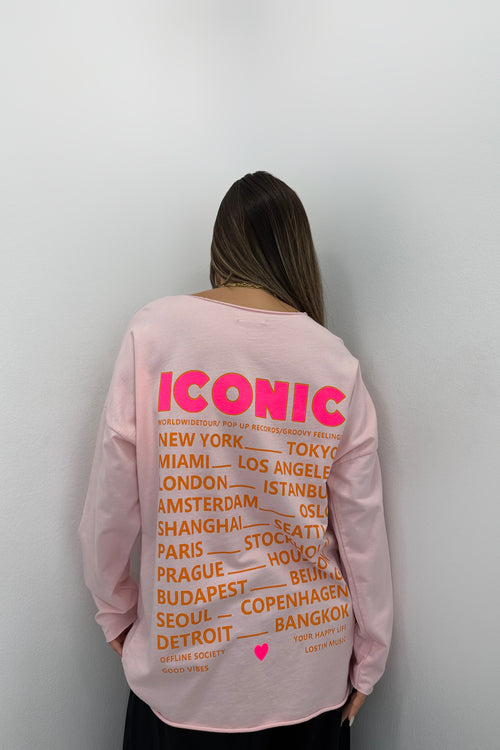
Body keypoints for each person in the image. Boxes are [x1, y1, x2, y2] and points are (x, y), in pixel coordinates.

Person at [78, 171, 393, 749]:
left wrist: (113, 611)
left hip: (184, 669)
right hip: (309, 669)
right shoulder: (334, 362)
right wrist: (370, 657)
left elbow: (110, 503)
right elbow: (361, 533)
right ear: (296, 252)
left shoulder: (156, 333)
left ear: (220, 248)